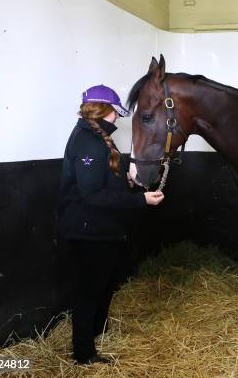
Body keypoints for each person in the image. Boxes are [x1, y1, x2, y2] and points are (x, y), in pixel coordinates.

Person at [57, 84, 164, 364]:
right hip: (87, 230)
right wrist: (141, 201)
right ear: (105, 111)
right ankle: (84, 354)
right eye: (116, 112)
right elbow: (90, 194)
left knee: (103, 285)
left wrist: (126, 182)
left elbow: (102, 180)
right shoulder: (88, 141)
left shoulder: (97, 136)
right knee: (88, 291)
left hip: (101, 229)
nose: (118, 118)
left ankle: (96, 332)